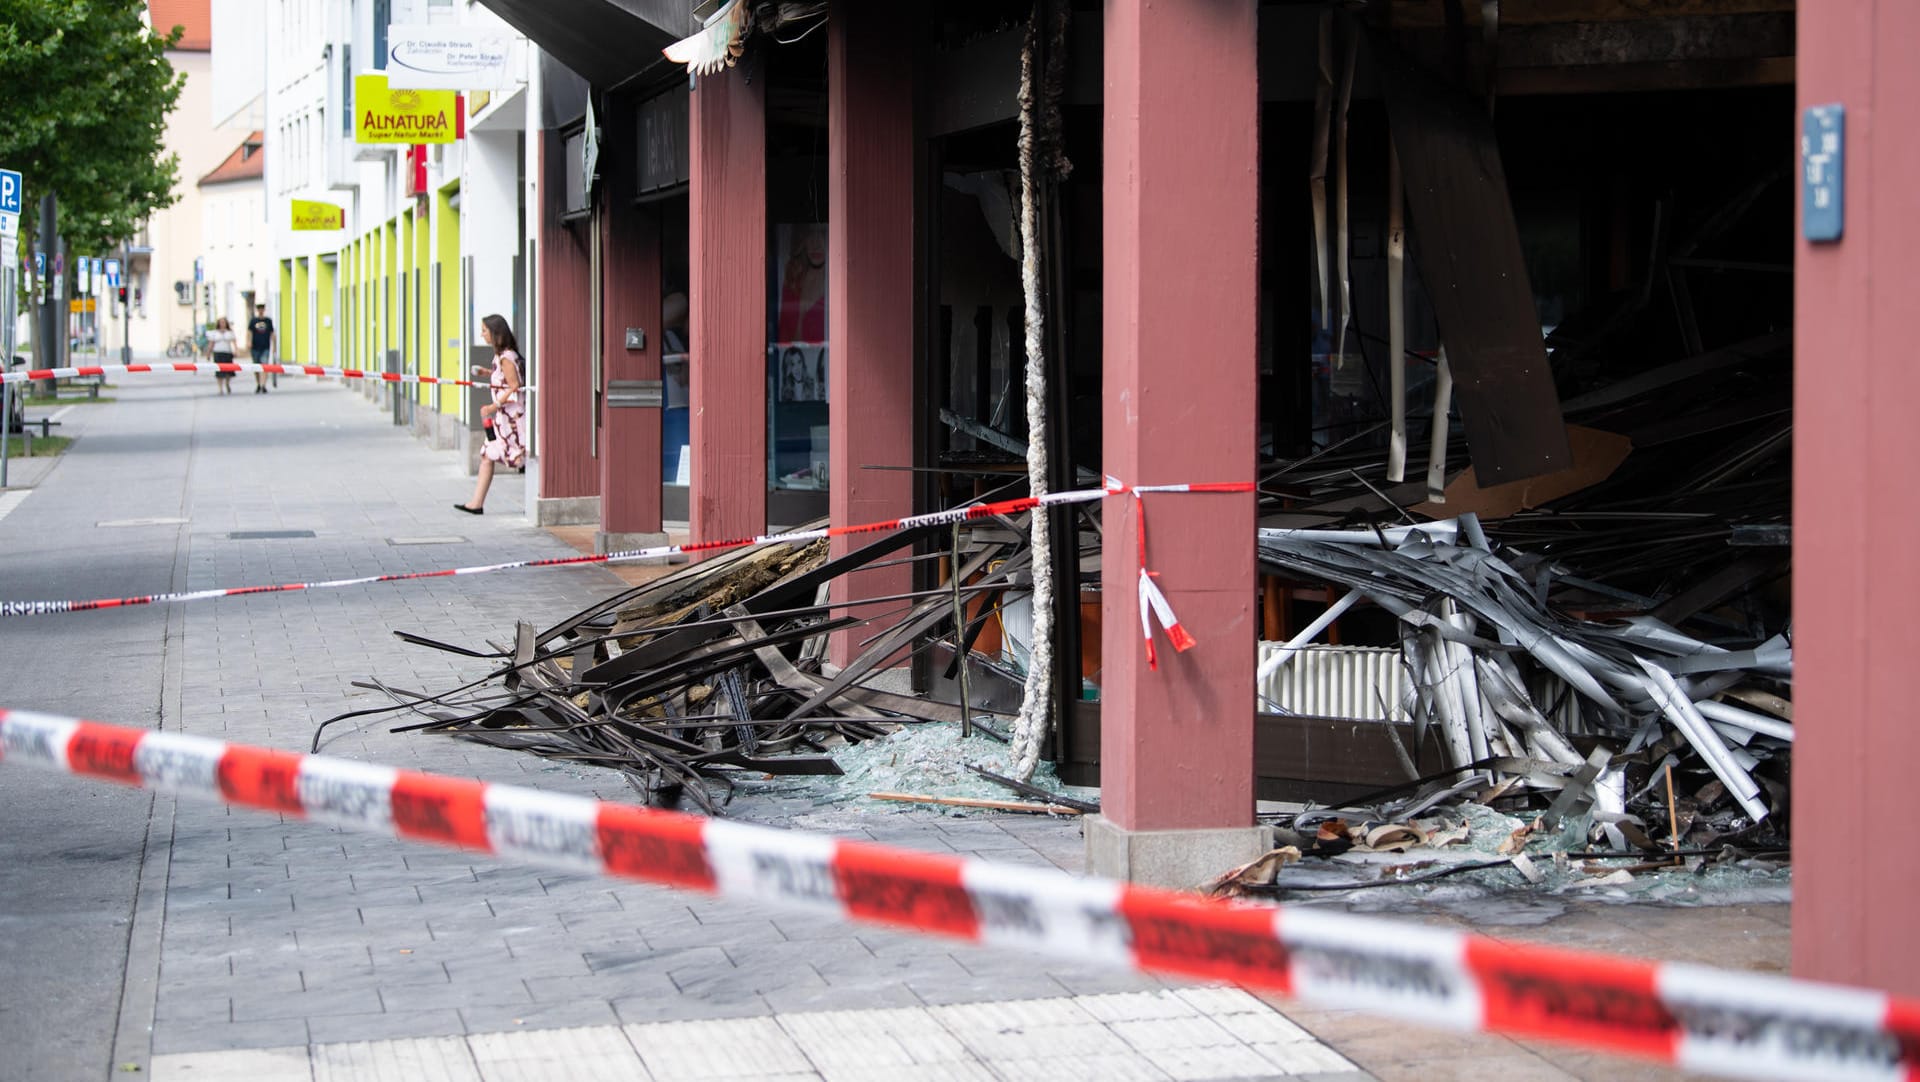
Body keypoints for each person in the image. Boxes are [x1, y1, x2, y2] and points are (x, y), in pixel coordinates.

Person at [455, 314, 525, 514]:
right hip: (505, 420)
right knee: (487, 455)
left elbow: (514, 386)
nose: (482, 334)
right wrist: (487, 373)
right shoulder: (502, 357)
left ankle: (477, 503)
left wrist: (492, 407)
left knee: (522, 455)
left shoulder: (506, 358)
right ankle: (476, 503)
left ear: (496, 333)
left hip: (512, 421)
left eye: (484, 330)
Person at [247, 304, 276, 394]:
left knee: (264, 365)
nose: (261, 311)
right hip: (255, 346)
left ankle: (263, 385)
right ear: (257, 310)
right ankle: (258, 384)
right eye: (259, 309)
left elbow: (272, 333)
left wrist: (274, 346)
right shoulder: (253, 321)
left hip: (265, 346)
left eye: (262, 309)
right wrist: (249, 342)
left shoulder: (268, 321)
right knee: (256, 367)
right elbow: (249, 332)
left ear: (264, 310)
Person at [205, 317, 238, 395]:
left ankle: (227, 383)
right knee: (219, 371)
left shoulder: (229, 332)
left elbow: (234, 342)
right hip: (218, 353)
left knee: (229, 371)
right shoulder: (215, 333)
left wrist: (236, 350)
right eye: (221, 322)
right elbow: (211, 343)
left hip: (227, 353)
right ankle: (220, 388)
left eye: (224, 322)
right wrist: (208, 353)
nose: (222, 324)